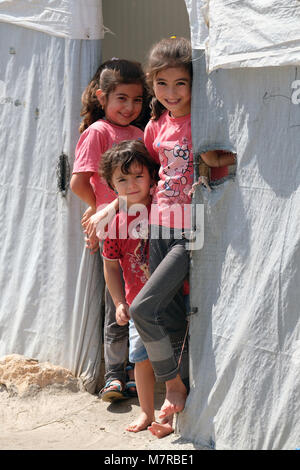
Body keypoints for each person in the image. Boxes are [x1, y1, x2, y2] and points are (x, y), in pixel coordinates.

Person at [129, 36, 236, 438]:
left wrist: (214, 160)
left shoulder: (206, 121)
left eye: (181, 83)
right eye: (161, 84)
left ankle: (172, 385)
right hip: (158, 226)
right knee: (172, 321)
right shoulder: (155, 127)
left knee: (144, 308)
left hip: (190, 232)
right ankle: (176, 409)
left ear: (194, 84)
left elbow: (232, 156)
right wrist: (111, 208)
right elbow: (151, 176)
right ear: (152, 84)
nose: (171, 93)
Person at [70, 59, 148, 402]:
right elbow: (77, 182)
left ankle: (137, 372)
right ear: (102, 97)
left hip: (142, 230)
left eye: (136, 100)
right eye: (121, 99)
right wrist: (97, 208)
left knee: (140, 299)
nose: (129, 107)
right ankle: (115, 375)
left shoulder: (139, 135)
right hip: (113, 232)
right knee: (117, 306)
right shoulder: (98, 132)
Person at [100, 140, 163, 433]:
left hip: (175, 296)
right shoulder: (114, 223)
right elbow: (111, 265)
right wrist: (118, 302)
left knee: (182, 352)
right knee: (141, 357)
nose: (131, 184)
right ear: (112, 186)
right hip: (138, 303)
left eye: (138, 175)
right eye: (122, 179)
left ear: (152, 175)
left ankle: (176, 407)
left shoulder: (165, 207)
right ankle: (147, 413)